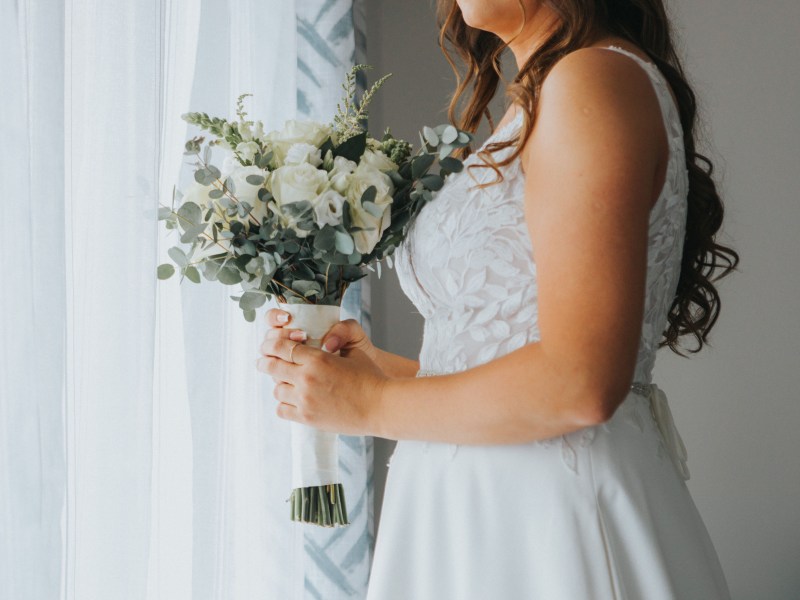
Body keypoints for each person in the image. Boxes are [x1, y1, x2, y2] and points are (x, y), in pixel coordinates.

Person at [257, 0, 739, 597]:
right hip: (474, 512)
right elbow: (511, 352)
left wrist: (370, 404)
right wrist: (379, 374)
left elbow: (580, 382)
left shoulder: (590, 78)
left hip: (548, 524)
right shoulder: (550, 93)